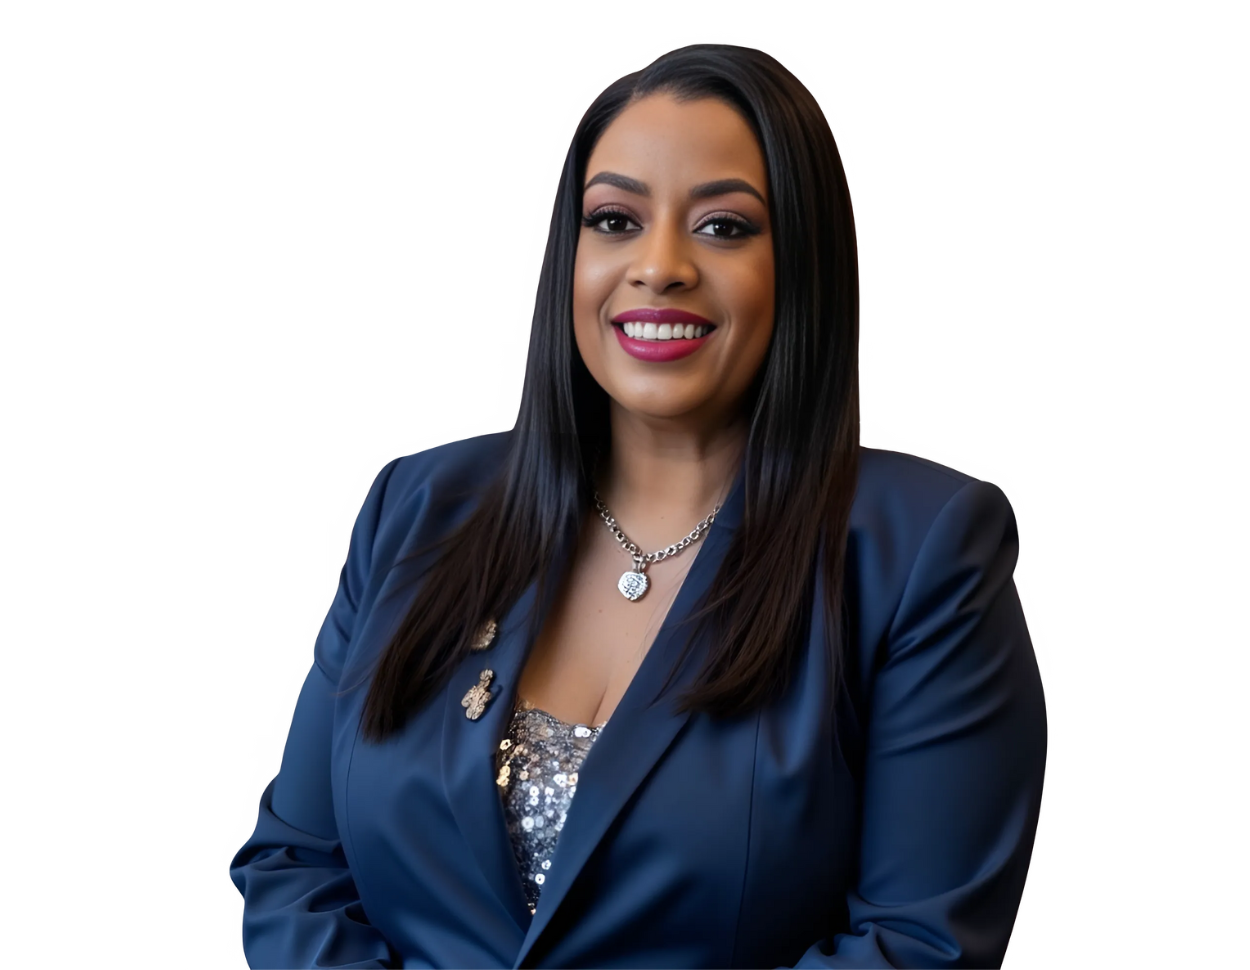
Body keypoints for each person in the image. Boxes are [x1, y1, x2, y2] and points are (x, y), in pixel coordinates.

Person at [227, 43, 1047, 969]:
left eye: (724, 228)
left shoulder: (926, 551)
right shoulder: (414, 504)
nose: (658, 267)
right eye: (614, 219)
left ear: (804, 265)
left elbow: (918, 945)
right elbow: (293, 867)